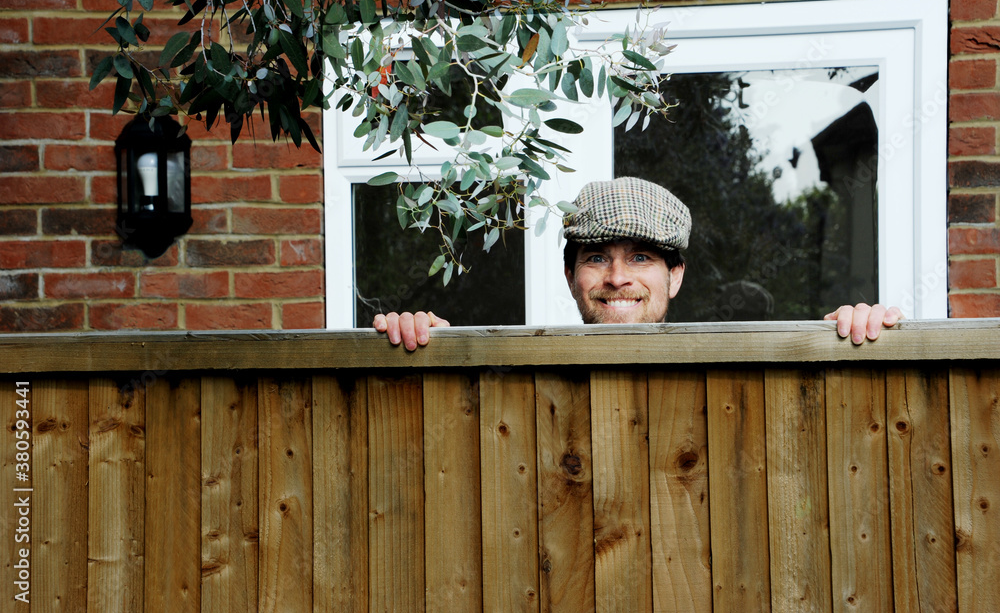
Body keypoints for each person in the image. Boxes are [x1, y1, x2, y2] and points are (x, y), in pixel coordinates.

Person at [374, 177, 903, 350]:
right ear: (569, 275)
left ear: (675, 274)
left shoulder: (724, 378)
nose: (618, 277)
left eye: (642, 257)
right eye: (597, 257)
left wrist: (860, 335)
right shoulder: (520, 381)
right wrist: (419, 346)